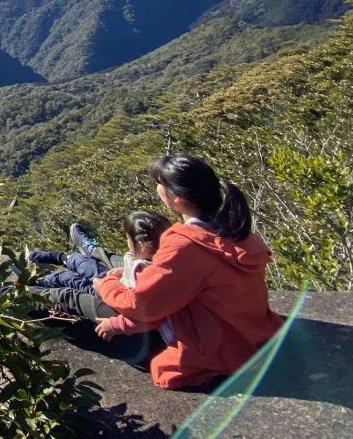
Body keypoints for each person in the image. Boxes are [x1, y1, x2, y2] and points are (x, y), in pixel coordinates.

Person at [92, 154, 284, 390]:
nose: (158, 188)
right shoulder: (234, 228)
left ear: (178, 200)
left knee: (86, 300)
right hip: (249, 335)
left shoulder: (185, 246)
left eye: (161, 184)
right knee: (117, 269)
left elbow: (140, 304)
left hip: (215, 351)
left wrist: (107, 287)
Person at [28, 212, 170, 324]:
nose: (127, 241)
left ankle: (39, 281)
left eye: (128, 238)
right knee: (84, 263)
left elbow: (139, 309)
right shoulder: (159, 263)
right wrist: (125, 271)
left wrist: (106, 285)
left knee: (71, 279)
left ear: (142, 246)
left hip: (110, 296)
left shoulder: (147, 277)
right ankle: (65, 257)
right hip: (115, 286)